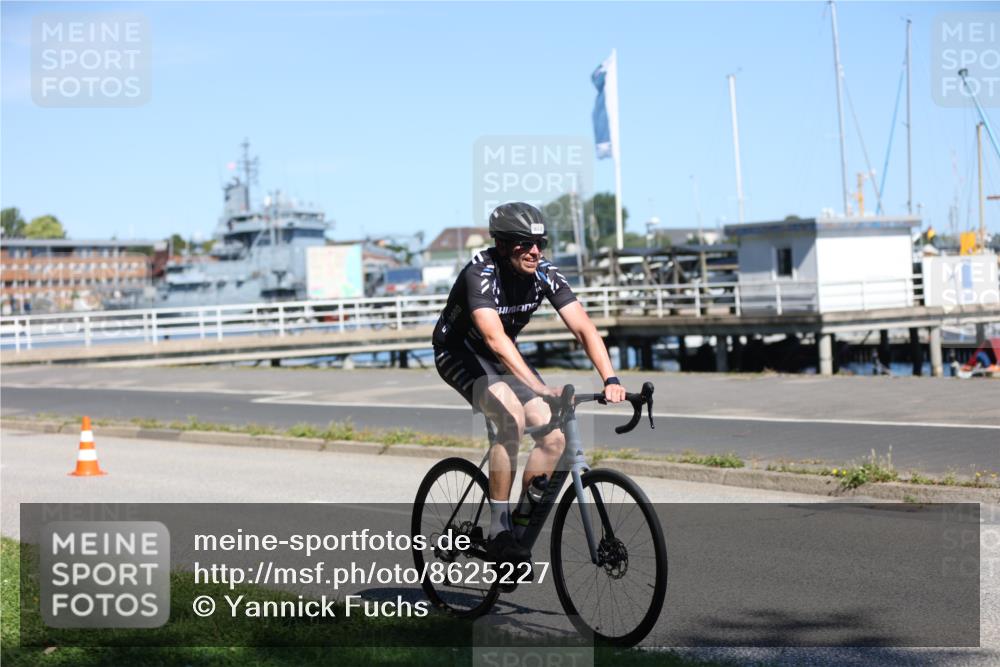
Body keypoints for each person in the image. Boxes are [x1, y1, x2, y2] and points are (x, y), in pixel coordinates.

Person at [432, 202, 626, 565]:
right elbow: (493, 339)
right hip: (459, 353)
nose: (535, 251)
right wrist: (538, 389)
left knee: (554, 437)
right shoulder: (480, 273)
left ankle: (520, 525)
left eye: (540, 243)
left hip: (500, 357)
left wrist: (610, 378)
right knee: (511, 420)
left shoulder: (544, 273)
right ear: (503, 245)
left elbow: (583, 327)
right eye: (524, 243)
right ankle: (498, 531)